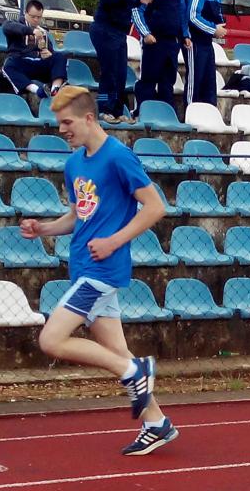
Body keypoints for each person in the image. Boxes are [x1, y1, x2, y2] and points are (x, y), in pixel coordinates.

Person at [21, 85, 178, 456]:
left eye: (67, 123)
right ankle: (156, 423)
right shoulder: (74, 163)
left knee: (51, 340)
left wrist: (113, 242)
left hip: (102, 270)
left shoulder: (119, 157)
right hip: (82, 267)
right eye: (59, 124)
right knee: (116, 351)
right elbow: (79, 215)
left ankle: (136, 372)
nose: (62, 130)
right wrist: (44, 229)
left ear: (89, 118)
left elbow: (155, 207)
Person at [131, 0, 188, 116]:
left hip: (172, 41)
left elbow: (182, 11)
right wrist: (146, 33)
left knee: (167, 81)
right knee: (148, 79)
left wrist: (185, 34)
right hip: (153, 40)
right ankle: (143, 113)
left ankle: (165, 115)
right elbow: (136, 10)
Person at [93, 0, 138, 122]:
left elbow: (130, 2)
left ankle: (118, 111)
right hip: (105, 30)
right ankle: (104, 109)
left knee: (121, 74)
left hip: (120, 33)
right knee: (109, 72)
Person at [1, 0, 69, 102]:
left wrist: (49, 54)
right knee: (8, 65)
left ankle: (55, 90)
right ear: (25, 13)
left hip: (39, 64)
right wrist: (31, 31)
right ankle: (37, 90)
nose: (36, 20)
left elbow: (50, 51)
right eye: (33, 17)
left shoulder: (43, 31)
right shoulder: (15, 24)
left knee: (59, 56)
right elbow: (6, 27)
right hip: (22, 63)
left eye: (39, 17)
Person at [186, 0, 230, 105]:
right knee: (195, 82)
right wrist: (213, 29)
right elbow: (192, 16)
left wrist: (219, 25)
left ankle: (208, 112)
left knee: (209, 84)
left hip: (207, 43)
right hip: (195, 43)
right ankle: (190, 112)